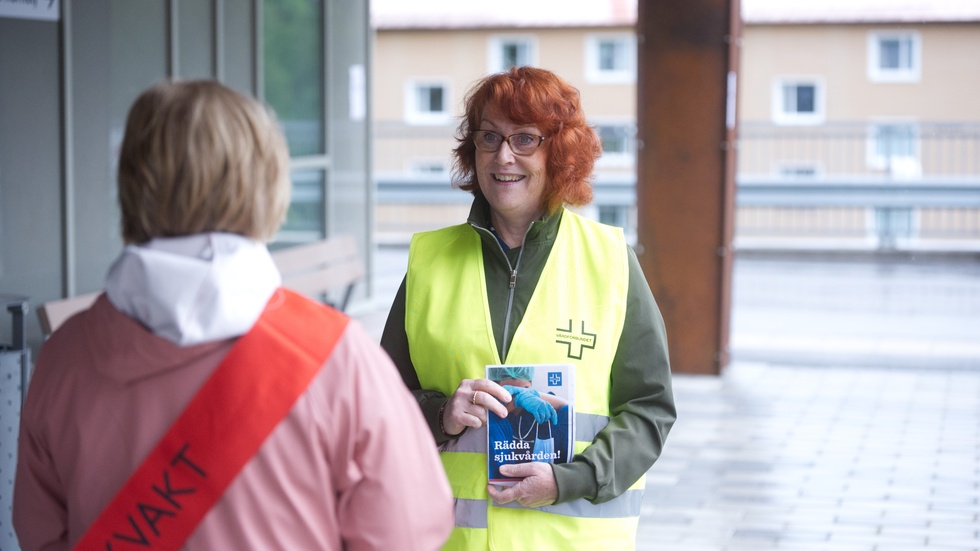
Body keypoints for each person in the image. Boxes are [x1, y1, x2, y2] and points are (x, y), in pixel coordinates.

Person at [14, 80, 453, 550]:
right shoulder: (336, 357)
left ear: (130, 184)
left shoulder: (64, 358)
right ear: (266, 184)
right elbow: (406, 532)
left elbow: (41, 533)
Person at [381, 66, 677, 550]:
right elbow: (383, 404)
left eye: (524, 139)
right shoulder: (428, 263)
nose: (503, 156)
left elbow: (649, 410)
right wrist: (441, 414)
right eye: (489, 137)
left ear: (558, 152)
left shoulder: (610, 260)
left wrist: (570, 480)